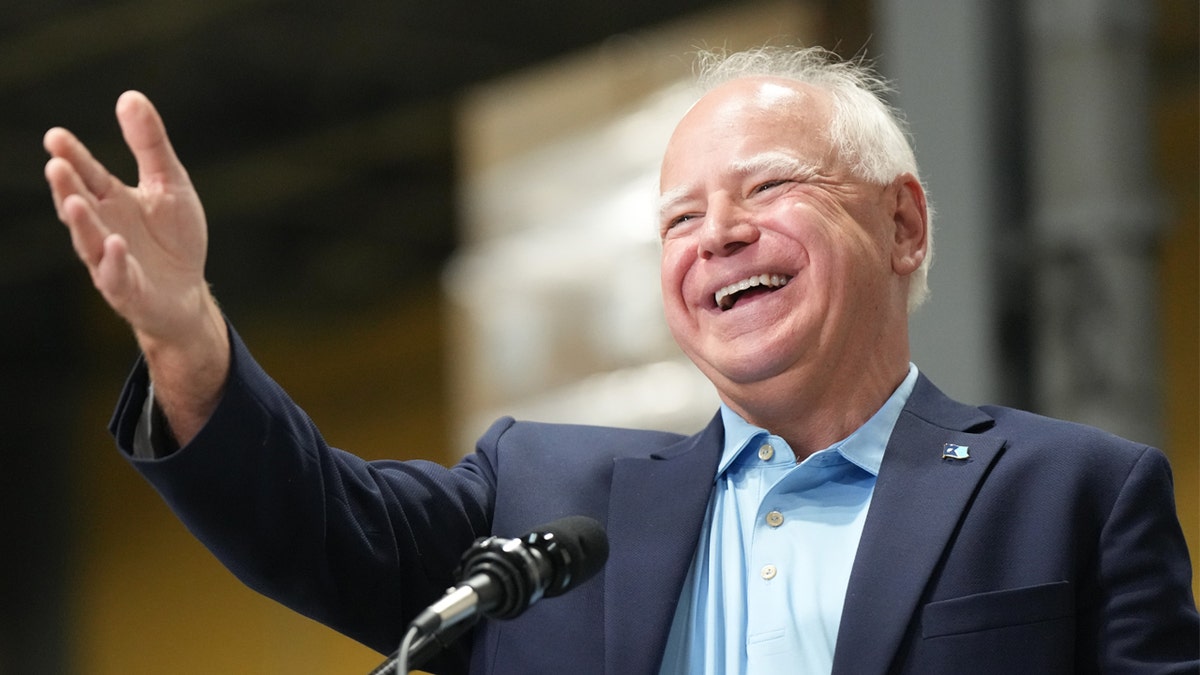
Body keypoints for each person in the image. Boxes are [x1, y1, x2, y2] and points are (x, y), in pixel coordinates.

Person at [44, 46, 1197, 674]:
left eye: (767, 189)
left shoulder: (1075, 498)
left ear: (902, 225)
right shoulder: (541, 504)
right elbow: (305, 520)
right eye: (680, 219)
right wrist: (185, 331)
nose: (718, 236)